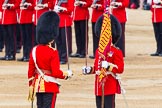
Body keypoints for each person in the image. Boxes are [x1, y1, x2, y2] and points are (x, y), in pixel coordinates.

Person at [27, 11, 73, 108]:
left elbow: (30, 72)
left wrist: (31, 86)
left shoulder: (34, 50)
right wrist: (67, 75)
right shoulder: (53, 52)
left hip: (38, 86)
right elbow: (56, 73)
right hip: (50, 86)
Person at [82, 14, 124, 108]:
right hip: (99, 85)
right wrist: (90, 70)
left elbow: (120, 69)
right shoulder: (98, 51)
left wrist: (109, 66)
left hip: (109, 85)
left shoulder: (116, 51)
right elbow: (97, 68)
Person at [54, 0, 74, 64]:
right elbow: (51, 5)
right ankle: (59, 56)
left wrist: (62, 9)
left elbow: (70, 9)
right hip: (57, 22)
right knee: (58, 41)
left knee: (64, 41)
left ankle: (64, 58)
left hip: (65, 21)